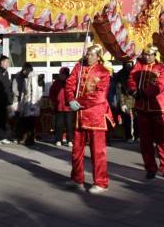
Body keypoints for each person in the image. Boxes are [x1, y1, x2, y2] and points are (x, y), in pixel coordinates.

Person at [65, 44, 113, 194]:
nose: (89, 57)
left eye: (92, 55)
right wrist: (70, 98)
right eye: (87, 54)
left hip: (95, 117)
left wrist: (78, 102)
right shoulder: (79, 67)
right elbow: (69, 83)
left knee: (98, 152)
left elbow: (99, 96)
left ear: (98, 57)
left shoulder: (103, 72)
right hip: (79, 116)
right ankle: (77, 178)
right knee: (76, 151)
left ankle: (101, 182)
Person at [128, 45, 164, 179]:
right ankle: (150, 167)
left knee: (162, 141)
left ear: (155, 55)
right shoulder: (139, 65)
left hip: (156, 109)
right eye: (145, 55)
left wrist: (144, 92)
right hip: (142, 109)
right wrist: (133, 90)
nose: (147, 57)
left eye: (150, 55)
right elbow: (131, 79)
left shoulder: (161, 68)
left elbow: (160, 85)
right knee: (145, 142)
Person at [13, 62, 42, 146]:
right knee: (26, 122)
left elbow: (34, 91)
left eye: (24, 70)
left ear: (28, 69)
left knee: (30, 123)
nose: (23, 72)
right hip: (26, 103)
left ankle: (30, 139)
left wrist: (33, 104)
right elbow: (23, 92)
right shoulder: (26, 77)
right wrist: (22, 103)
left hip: (30, 103)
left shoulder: (33, 76)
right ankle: (26, 138)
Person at [111, 59, 136, 142]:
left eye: (130, 63)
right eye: (127, 63)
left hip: (136, 98)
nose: (129, 65)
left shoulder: (136, 71)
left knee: (137, 118)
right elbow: (119, 90)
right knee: (127, 118)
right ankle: (128, 136)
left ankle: (137, 135)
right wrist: (122, 103)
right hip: (125, 98)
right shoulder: (120, 74)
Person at [48, 66, 74, 146]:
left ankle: (70, 140)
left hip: (69, 108)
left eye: (63, 74)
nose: (61, 75)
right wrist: (55, 101)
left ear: (67, 75)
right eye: (60, 73)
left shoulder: (71, 82)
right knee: (59, 124)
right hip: (59, 107)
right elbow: (51, 92)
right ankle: (58, 140)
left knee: (69, 124)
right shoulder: (56, 82)